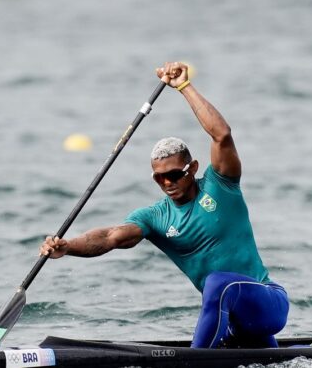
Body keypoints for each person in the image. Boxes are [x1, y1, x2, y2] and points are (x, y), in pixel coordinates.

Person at [40, 61, 289, 349]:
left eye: (174, 174)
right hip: (234, 321)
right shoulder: (156, 217)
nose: (168, 182)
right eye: (159, 178)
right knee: (268, 354)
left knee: (218, 283)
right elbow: (110, 237)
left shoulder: (221, 186)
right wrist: (67, 246)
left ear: (192, 168)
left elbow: (221, 134)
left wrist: (184, 87)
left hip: (268, 303)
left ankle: (193, 362)